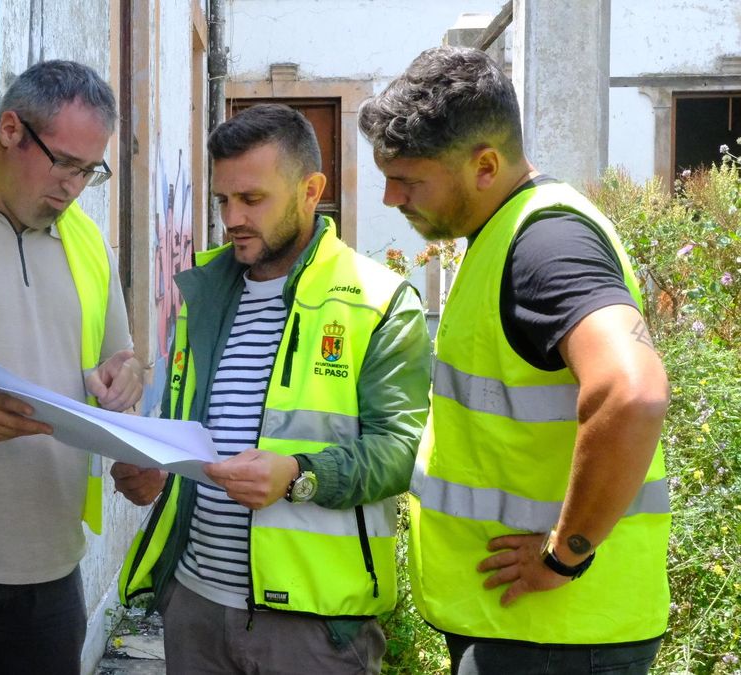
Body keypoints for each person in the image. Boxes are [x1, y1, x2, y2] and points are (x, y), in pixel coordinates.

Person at [359, 46, 671, 673]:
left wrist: (566, 553)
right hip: (525, 628)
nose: (391, 198)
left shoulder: (544, 246)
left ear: (485, 165)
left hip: (556, 637)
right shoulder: (505, 233)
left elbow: (633, 391)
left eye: (410, 179)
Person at [113, 104, 432, 674]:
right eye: (222, 201)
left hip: (313, 631)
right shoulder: (203, 296)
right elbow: (192, 432)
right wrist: (153, 468)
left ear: (311, 190)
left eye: (252, 199)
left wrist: (300, 474)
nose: (232, 217)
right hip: (196, 607)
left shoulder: (380, 301)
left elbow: (402, 452)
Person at [0, 59, 142, 675]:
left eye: (90, 170)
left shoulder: (89, 242)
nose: (73, 186)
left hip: (54, 572)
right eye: (63, 163)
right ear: (10, 129)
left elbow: (117, 366)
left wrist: (129, 382)